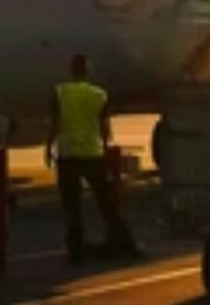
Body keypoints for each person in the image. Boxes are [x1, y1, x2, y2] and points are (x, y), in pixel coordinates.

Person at [46, 54, 140, 264]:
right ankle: (125, 243)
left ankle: (75, 252)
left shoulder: (60, 92)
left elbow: (55, 123)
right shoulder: (99, 94)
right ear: (88, 71)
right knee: (107, 204)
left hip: (68, 155)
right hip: (92, 154)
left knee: (72, 207)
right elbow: (105, 127)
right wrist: (106, 150)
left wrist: (47, 147)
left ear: (71, 71)